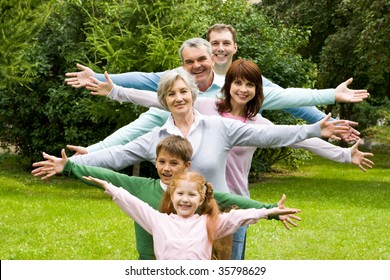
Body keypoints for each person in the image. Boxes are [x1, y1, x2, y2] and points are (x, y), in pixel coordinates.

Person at [84, 58, 375, 259]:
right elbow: (145, 115)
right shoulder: (190, 117)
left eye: (185, 92)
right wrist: (115, 93)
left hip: (224, 209)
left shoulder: (231, 124)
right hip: (174, 220)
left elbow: (282, 131)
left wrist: (323, 128)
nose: (243, 90)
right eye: (237, 84)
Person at [64, 35, 368, 154]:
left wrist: (332, 97)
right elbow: (139, 106)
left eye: (202, 60)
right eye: (188, 62)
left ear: (214, 58)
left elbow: (287, 99)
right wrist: (95, 150)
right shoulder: (176, 92)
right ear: (182, 64)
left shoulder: (237, 89)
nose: (196, 66)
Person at [32, 135, 301, 260]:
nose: (166, 168)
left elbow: (237, 204)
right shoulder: (140, 187)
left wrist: (270, 210)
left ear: (186, 166)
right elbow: (108, 179)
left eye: (173, 163)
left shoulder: (197, 193)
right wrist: (68, 167)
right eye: (161, 161)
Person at [81, 171, 301, 260]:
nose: (185, 200)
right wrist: (109, 187)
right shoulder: (158, 221)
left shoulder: (210, 223)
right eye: (180, 194)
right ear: (171, 195)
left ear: (201, 198)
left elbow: (240, 216)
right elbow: (133, 204)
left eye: (191, 195)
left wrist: (270, 212)